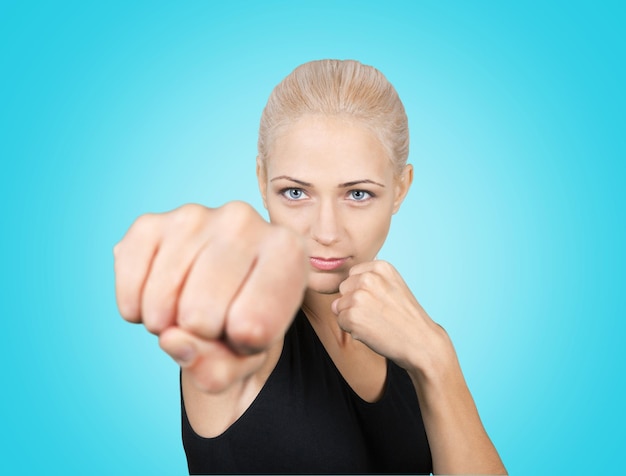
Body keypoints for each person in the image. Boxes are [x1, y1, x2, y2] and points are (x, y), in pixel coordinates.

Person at [114, 59, 507, 475]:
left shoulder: (407, 339)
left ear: (401, 189)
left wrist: (437, 360)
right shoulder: (251, 328)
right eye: (296, 192)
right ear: (262, 180)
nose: (325, 231)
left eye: (357, 194)